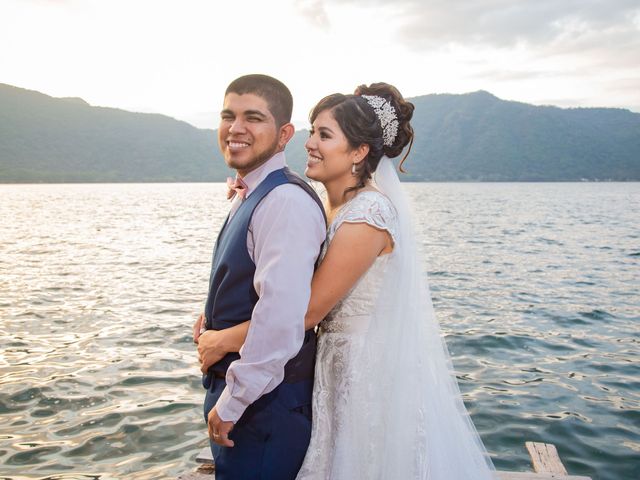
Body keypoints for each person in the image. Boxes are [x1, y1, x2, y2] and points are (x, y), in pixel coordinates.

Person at [198, 83, 497, 479]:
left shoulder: (367, 215)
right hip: (327, 365)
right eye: (311, 131)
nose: (310, 143)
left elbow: (306, 311)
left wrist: (223, 338)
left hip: (362, 369)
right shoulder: (328, 206)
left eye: (325, 135)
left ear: (358, 153)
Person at [192, 74, 326, 480]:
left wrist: (233, 403)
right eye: (228, 116)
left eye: (253, 118)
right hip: (245, 398)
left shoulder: (284, 201)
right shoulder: (253, 193)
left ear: (284, 134)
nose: (236, 128)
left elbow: (281, 319)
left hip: (263, 407)